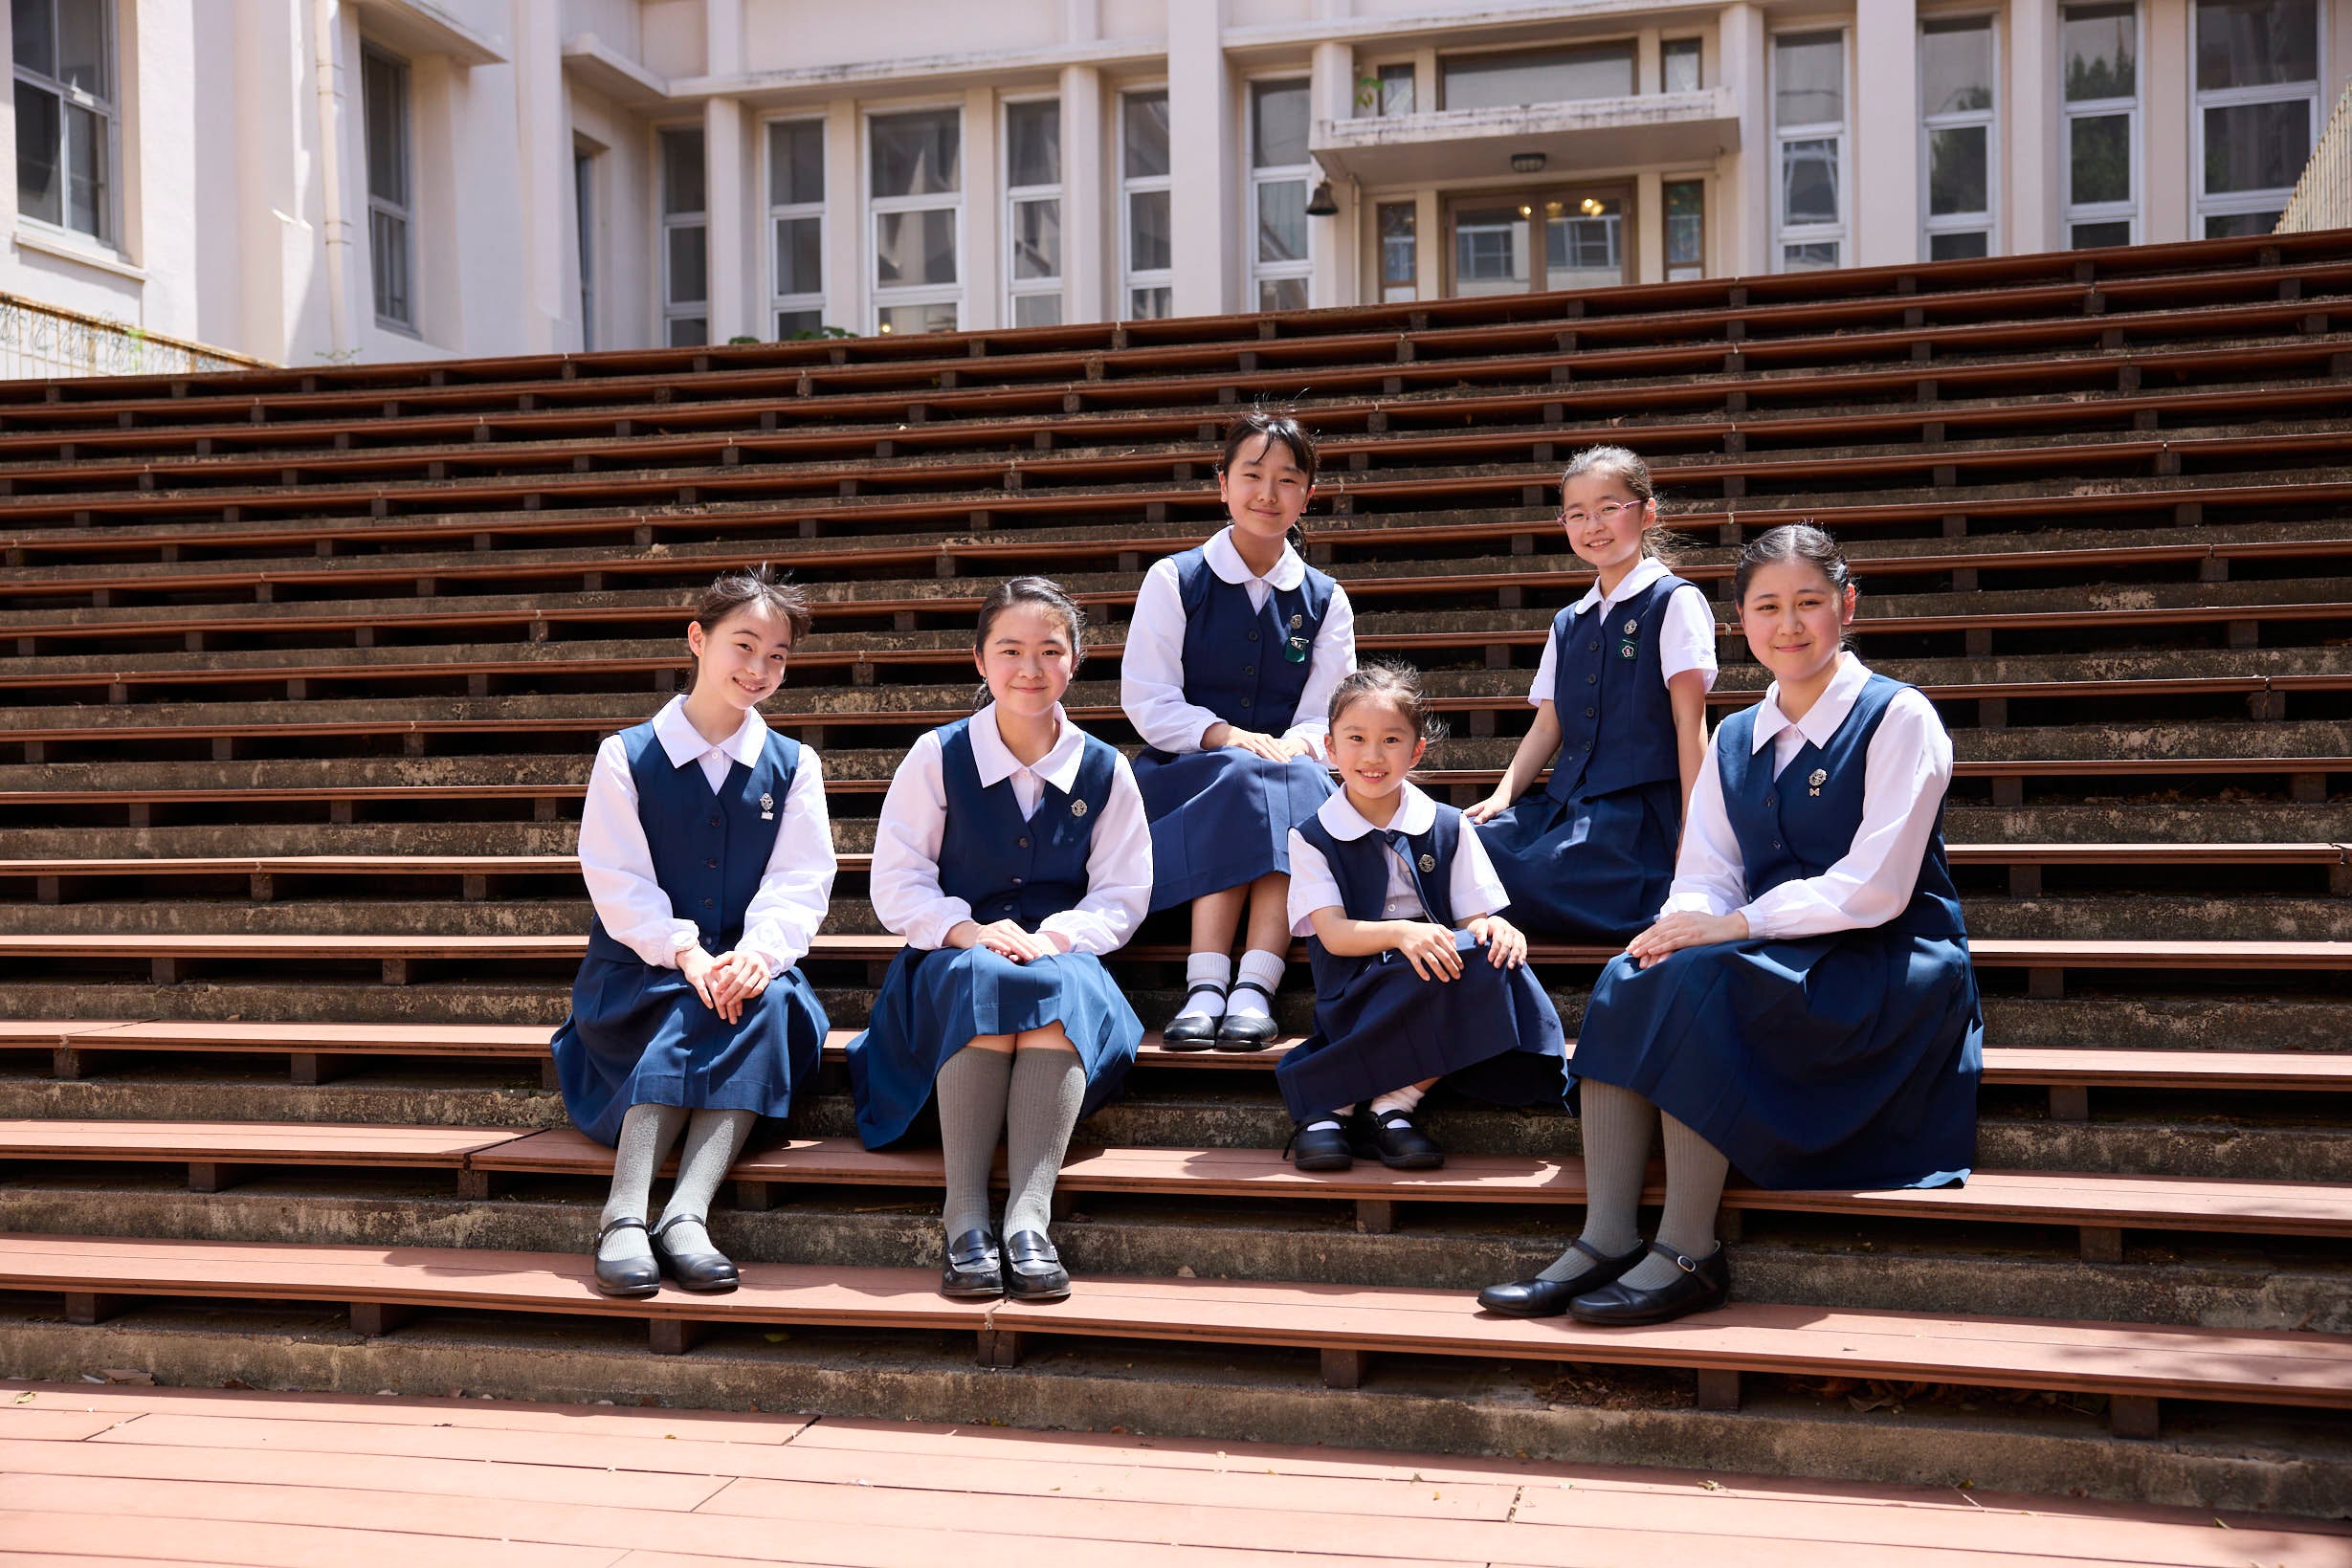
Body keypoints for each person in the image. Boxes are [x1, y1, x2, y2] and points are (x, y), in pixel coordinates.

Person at [1479, 523, 1983, 1327]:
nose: (1789, 624)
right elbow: (1705, 871)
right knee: (1635, 971)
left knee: (1701, 981)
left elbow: (1877, 885)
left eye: (1809, 602)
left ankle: (1689, 1251)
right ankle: (1606, 1237)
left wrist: (1734, 926)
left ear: (1847, 605)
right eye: (1768, 607)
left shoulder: (1899, 716)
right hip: (1768, 946)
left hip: (1881, 959)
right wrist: (1678, 926)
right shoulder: (1736, 736)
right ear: (1741, 621)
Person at [848, 576, 1151, 1303]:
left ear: (1075, 660)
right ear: (980, 661)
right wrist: (969, 930)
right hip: (951, 956)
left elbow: (1121, 893)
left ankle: (1027, 1220)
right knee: (984, 977)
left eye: (1050, 650)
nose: (1030, 668)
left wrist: (1056, 937)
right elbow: (898, 881)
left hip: (1063, 958)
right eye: (1010, 650)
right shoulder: (937, 755)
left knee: (1051, 985)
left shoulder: (1106, 768)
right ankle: (965, 1218)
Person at [553, 565, 834, 1299]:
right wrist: (685, 951)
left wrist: (757, 954)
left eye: (777, 656)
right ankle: (622, 1214)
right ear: (697, 639)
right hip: (639, 978)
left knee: (768, 998)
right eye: (744, 645)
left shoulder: (793, 766)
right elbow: (617, 877)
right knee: (692, 1001)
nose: (759, 668)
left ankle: (685, 1213)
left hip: (744, 973)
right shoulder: (627, 755)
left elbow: (801, 879)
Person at [1121, 410, 1356, 1050]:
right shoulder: (1175, 579)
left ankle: (1254, 984)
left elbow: (1328, 713)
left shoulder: (1326, 598)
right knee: (1245, 775)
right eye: (1252, 475)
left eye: (1287, 479)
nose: (1267, 493)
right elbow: (1147, 697)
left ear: (1308, 494)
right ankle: (1206, 984)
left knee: (1287, 778)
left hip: (1288, 767)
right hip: (1186, 773)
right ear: (1222, 484)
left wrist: (1290, 746)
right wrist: (1225, 736)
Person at [1279, 664, 1567, 1171]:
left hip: (1435, 977)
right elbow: (1334, 934)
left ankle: (1394, 1104)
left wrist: (1495, 927)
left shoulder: (1449, 826)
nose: (1373, 755)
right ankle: (1333, 1107)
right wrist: (1402, 933)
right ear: (1330, 749)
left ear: (1416, 752)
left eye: (1391, 740)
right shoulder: (1312, 836)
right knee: (1430, 965)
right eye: (1356, 739)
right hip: (1357, 986)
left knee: (1493, 956)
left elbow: (1474, 920)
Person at [1467, 445, 1715, 940]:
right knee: (1461, 846)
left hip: (1635, 815)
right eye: (1577, 514)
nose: (1592, 526)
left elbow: (1690, 723)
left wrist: (1696, 831)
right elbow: (1547, 726)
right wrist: (1501, 797)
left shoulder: (1674, 601)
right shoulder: (1569, 621)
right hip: (1566, 806)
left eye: (1608, 508)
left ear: (1647, 513)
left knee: (1528, 876)